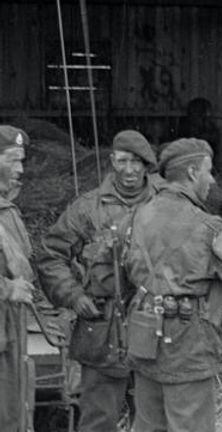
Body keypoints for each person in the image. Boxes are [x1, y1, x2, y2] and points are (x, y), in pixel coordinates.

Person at [123, 138, 222, 432]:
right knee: (190, 424)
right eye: (208, 171)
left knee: (147, 424)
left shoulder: (137, 215)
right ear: (193, 173)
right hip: (188, 341)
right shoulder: (211, 227)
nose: (211, 180)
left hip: (144, 332)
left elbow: (126, 270)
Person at [37, 130, 161, 432]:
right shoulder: (87, 207)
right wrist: (74, 295)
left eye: (137, 162)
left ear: (147, 166)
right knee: (98, 419)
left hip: (155, 323)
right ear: (111, 161)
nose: (129, 170)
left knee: (154, 418)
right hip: (102, 326)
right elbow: (50, 255)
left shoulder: (166, 204)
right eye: (122, 161)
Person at [0, 126, 37, 431]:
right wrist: (6, 287)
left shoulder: (8, 211)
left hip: (9, 331)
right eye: (12, 160)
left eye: (21, 161)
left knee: (14, 413)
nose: (20, 169)